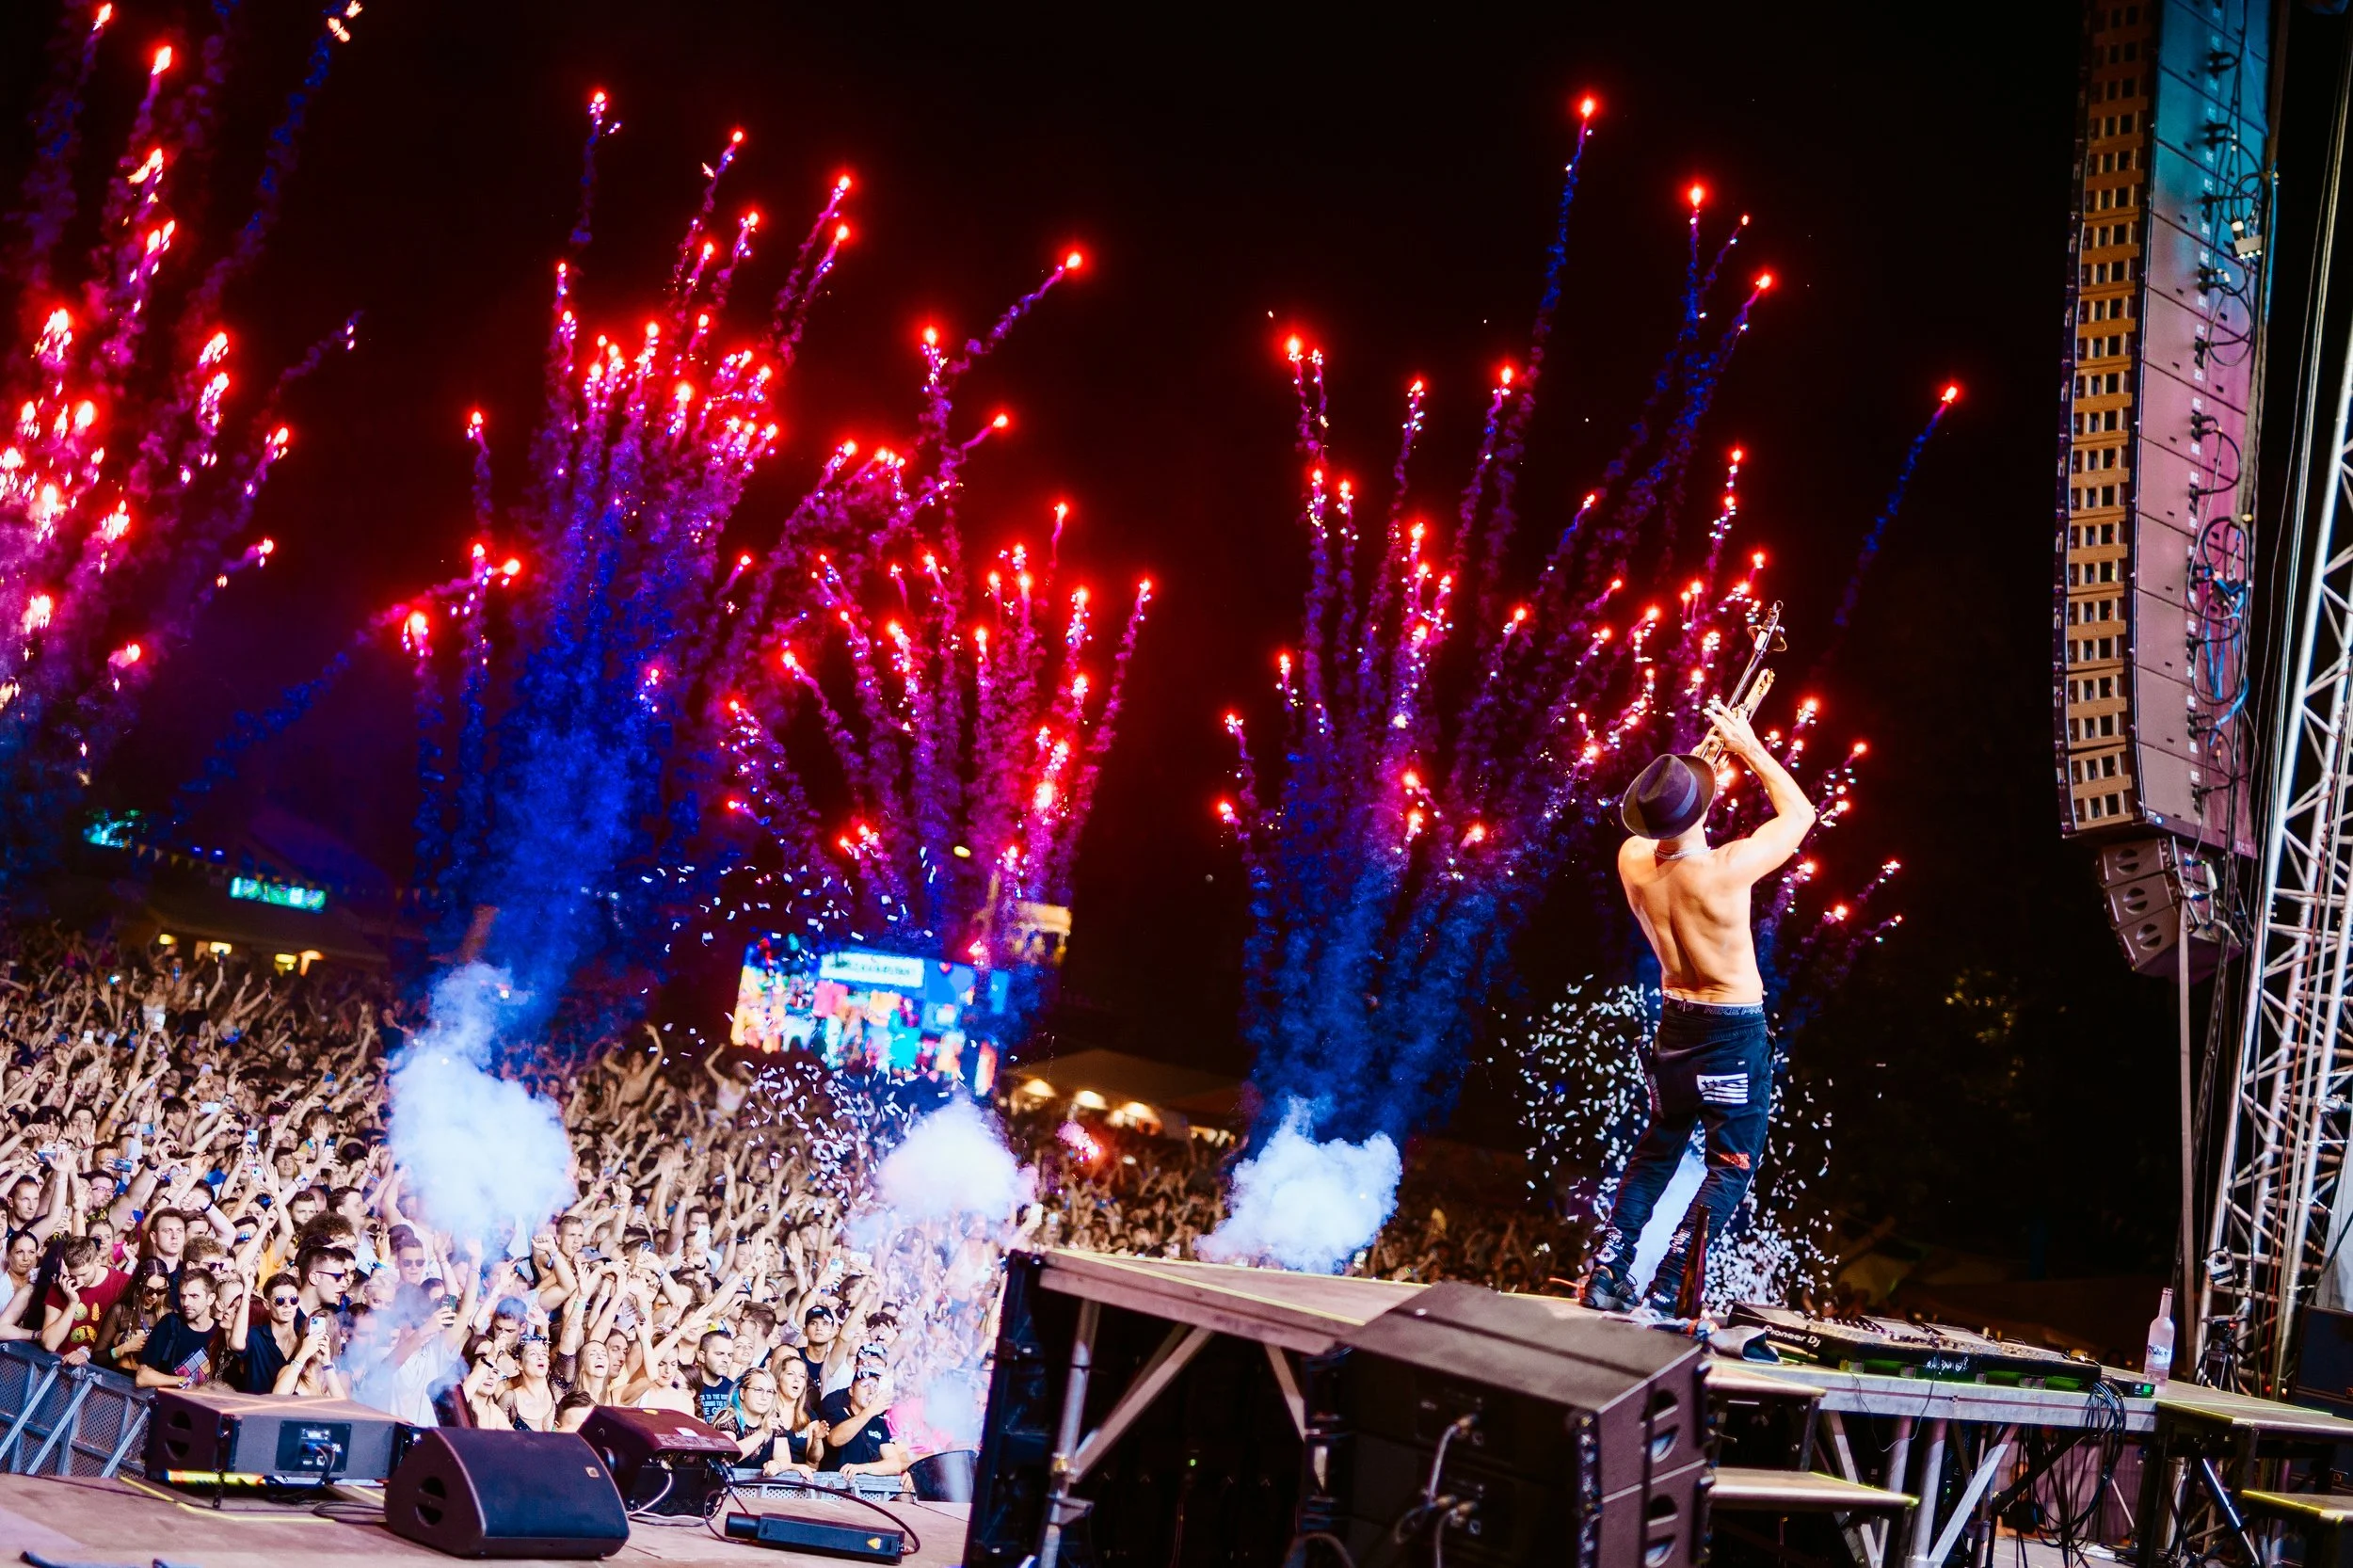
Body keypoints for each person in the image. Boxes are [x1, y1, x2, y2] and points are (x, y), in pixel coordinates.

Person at [1583, 696, 1817, 1314]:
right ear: (1704, 809)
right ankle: (1668, 1289)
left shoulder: (1633, 862)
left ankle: (1606, 1273)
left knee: (1658, 1149)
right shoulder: (1725, 871)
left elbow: (1657, 827)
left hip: (1674, 1028)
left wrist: (1699, 771)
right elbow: (1800, 813)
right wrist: (1747, 747)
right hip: (1731, 1036)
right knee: (1730, 1167)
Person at [40, 1235, 131, 1365]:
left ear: (98, 1261)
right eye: (73, 1275)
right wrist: (72, 1303)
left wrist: (87, 1352)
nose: (79, 1281)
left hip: (100, 1368)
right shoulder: (59, 1289)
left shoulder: (122, 1284)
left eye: (84, 1274)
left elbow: (124, 1338)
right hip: (60, 1364)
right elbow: (49, 1344)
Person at [818, 1352, 906, 1477]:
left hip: (865, 1491)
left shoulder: (878, 1423)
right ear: (851, 1390)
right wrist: (869, 1411)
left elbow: (895, 1465)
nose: (871, 1391)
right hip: (834, 1489)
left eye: (875, 1386)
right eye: (865, 1385)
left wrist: (864, 1468)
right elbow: (835, 1439)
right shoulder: (837, 1413)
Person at [135, 1270, 225, 1390]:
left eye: (194, 1296)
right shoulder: (170, 1323)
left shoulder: (221, 1332)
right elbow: (142, 1378)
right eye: (183, 1296)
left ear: (211, 1299)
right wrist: (183, 1381)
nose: (186, 1303)